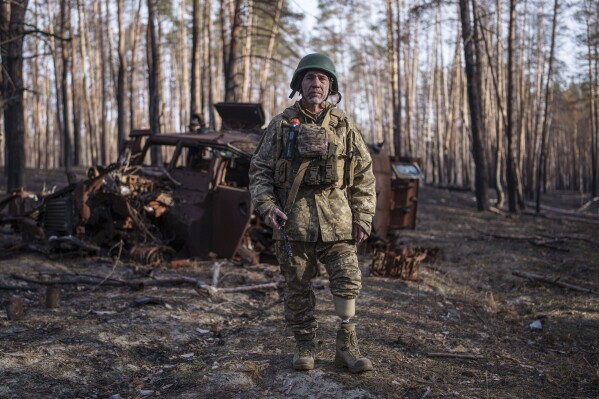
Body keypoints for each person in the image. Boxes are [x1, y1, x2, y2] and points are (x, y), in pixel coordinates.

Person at [248, 53, 376, 373]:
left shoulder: (344, 125)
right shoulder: (280, 125)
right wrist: (267, 207)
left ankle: (347, 345)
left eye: (322, 78)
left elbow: (363, 175)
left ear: (330, 85)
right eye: (309, 78)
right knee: (297, 286)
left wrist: (363, 217)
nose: (315, 83)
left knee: (348, 280)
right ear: (299, 84)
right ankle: (305, 343)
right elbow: (260, 171)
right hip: (294, 220)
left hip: (337, 218)